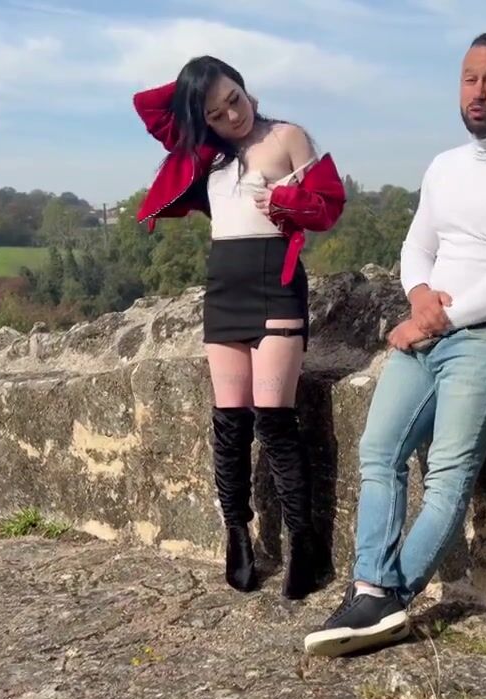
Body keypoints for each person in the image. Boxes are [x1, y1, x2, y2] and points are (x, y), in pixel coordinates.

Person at [303, 31, 486, 656]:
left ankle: (386, 598)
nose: (479, 92)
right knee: (379, 452)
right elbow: (417, 245)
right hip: (431, 327)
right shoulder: (444, 166)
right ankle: (371, 588)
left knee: (448, 473)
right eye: (470, 78)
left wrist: (432, 321)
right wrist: (420, 293)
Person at [132, 56, 346, 600]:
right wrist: (196, 90)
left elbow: (329, 207)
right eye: (216, 112)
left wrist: (284, 200)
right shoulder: (206, 153)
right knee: (230, 423)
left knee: (274, 420)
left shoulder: (287, 136)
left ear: (246, 88)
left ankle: (303, 543)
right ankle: (237, 535)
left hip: (276, 283)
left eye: (234, 98)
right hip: (224, 288)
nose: (233, 114)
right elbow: (147, 107)